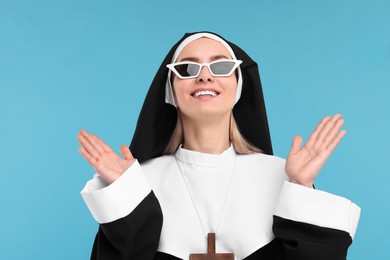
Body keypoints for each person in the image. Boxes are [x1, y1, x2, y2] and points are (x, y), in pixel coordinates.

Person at [77, 32, 360, 260]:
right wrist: (126, 199)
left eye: (220, 66)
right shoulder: (139, 183)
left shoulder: (281, 176)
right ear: (170, 91)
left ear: (239, 87)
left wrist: (301, 189)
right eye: (187, 68)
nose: (205, 76)